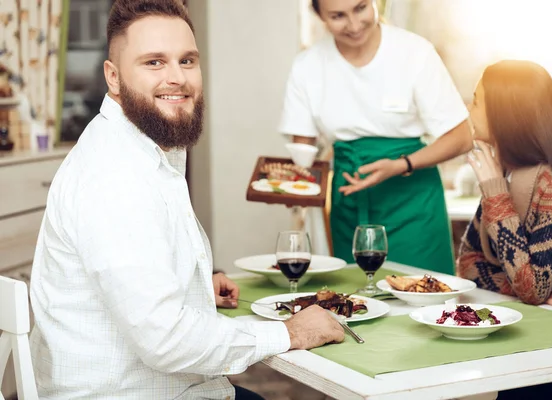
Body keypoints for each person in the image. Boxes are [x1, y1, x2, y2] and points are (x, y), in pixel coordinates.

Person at [29, 1, 344, 399]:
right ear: (113, 76)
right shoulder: (114, 176)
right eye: (154, 63)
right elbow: (166, 340)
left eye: (187, 60)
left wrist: (190, 285)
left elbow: (133, 273)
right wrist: (290, 331)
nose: (177, 77)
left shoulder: (146, 145)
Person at [278, 0, 472, 274]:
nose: (354, 25)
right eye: (338, 16)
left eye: (360, 8)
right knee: (357, 303)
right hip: (350, 201)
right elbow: (303, 151)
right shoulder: (307, 66)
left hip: (414, 201)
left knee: (424, 297)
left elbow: (462, 137)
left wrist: (400, 164)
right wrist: (296, 187)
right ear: (318, 14)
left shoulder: (414, 52)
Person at [457, 60, 552, 400]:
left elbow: (533, 287)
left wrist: (495, 196)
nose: (469, 107)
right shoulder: (510, 173)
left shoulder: (546, 180)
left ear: (504, 113)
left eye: (477, 100)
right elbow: (467, 263)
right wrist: (521, 287)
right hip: (536, 344)